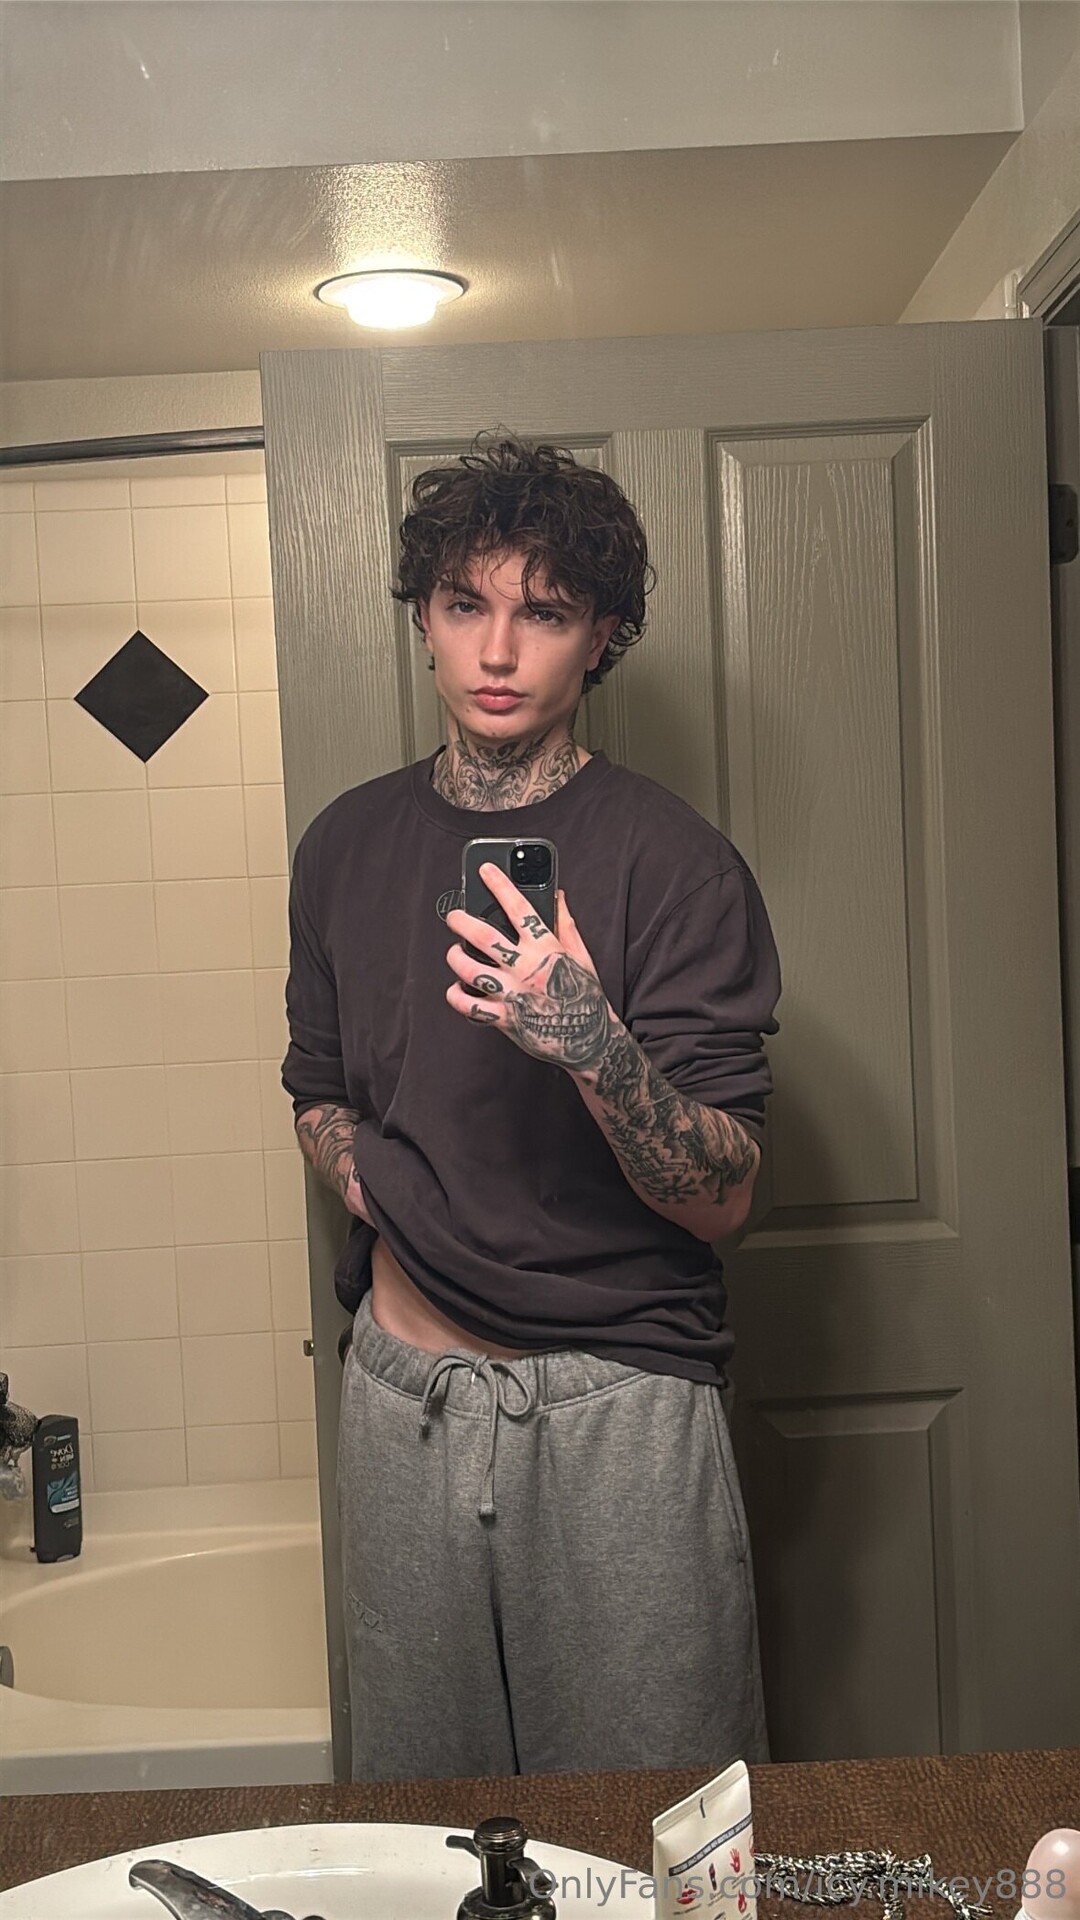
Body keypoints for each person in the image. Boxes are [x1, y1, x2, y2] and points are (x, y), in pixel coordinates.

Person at [281, 431, 782, 1783]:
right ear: (424, 621)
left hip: (618, 1403)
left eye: (545, 614)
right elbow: (317, 1084)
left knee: (655, 1821)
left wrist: (591, 1045)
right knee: (421, 1820)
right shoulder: (342, 846)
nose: (498, 651)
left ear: (600, 638)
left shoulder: (678, 865)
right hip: (402, 1400)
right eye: (466, 606)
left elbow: (725, 1193)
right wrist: (365, 1179)